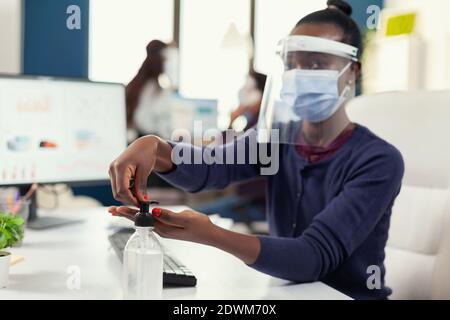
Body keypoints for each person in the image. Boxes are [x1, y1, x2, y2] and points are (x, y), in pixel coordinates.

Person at [108, 0, 404, 300]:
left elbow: (313, 257)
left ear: (353, 71)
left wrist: (211, 235)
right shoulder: (276, 141)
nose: (299, 74)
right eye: (292, 64)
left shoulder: (379, 161)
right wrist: (154, 148)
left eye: (316, 64)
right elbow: (210, 168)